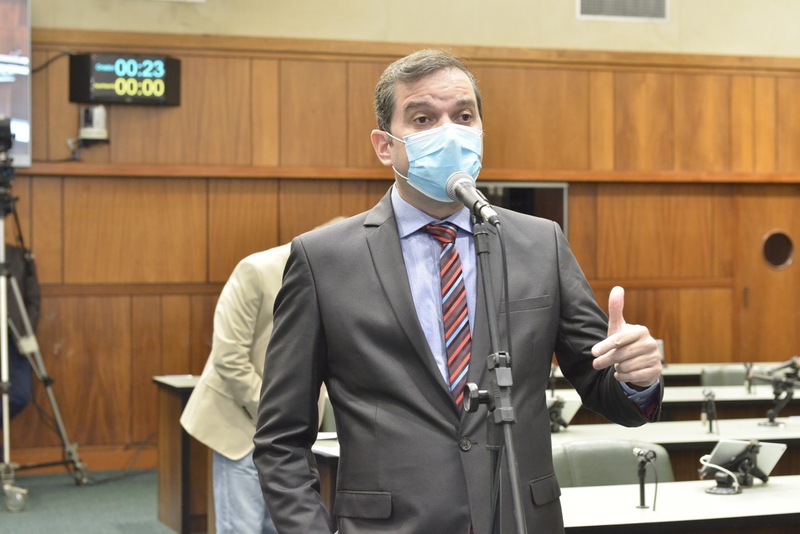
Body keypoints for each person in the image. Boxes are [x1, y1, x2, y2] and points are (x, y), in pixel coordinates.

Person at [253, 49, 663, 534]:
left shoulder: (539, 243)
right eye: (423, 119)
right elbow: (281, 439)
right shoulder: (323, 260)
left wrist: (636, 378)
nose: (449, 132)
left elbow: (604, 390)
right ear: (385, 146)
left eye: (464, 116)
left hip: (519, 519)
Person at [181, 231, 337, 534]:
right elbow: (229, 358)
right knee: (243, 528)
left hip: (293, 436)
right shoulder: (256, 269)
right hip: (242, 425)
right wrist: (277, 418)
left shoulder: (336, 274)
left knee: (282, 526)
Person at [1, 244, 40, 424]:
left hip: (14, 338)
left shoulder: (20, 256)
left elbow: (33, 299)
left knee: (21, 395)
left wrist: (25, 330)